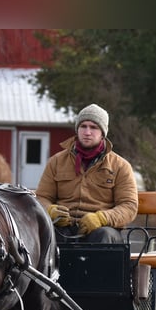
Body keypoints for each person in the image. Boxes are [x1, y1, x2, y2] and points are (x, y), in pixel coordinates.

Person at [36, 103, 138, 243]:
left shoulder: (121, 166)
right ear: (77, 130)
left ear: (103, 133)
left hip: (103, 230)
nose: (87, 132)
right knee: (47, 235)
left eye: (94, 127)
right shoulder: (56, 162)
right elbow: (41, 198)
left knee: (103, 236)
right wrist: (50, 211)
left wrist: (101, 218)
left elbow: (129, 206)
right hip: (63, 227)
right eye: (83, 126)